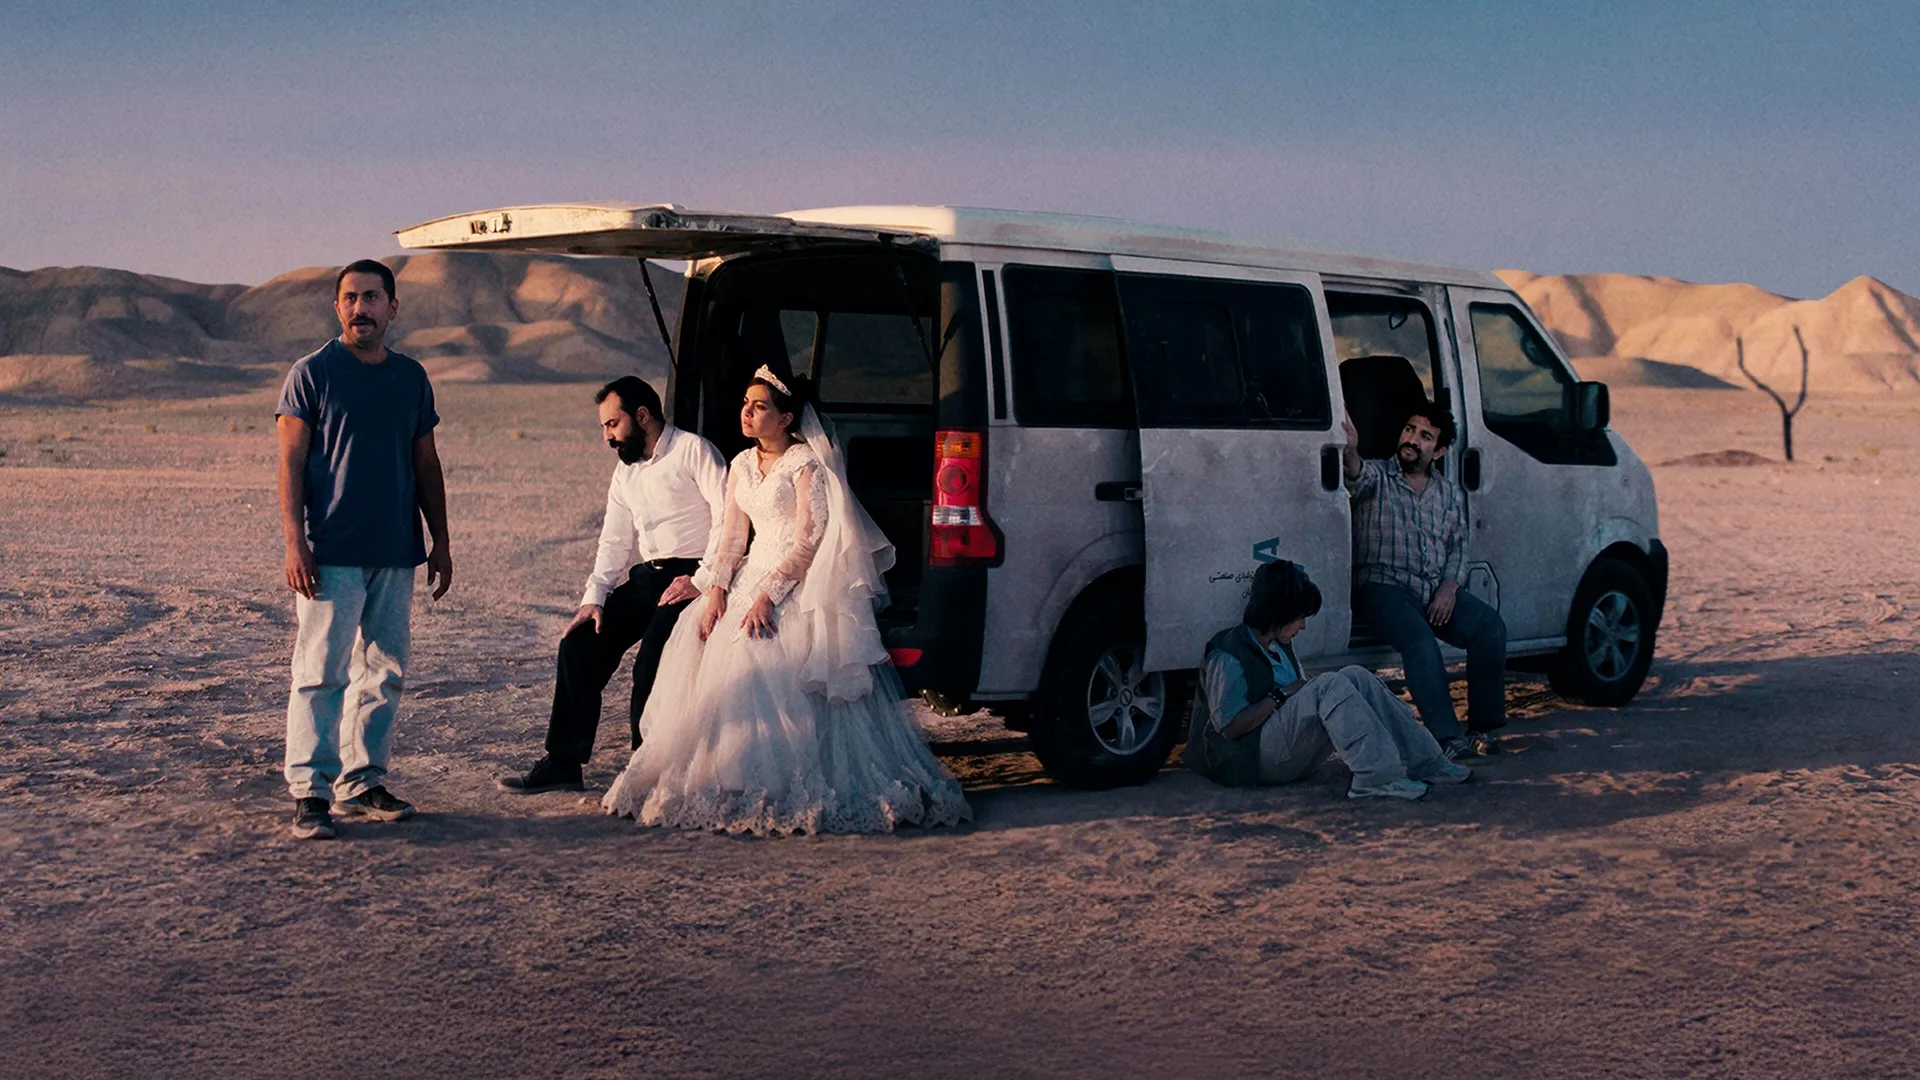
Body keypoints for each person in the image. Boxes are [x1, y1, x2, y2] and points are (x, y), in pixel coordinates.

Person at [601, 364, 971, 834]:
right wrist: (715, 591)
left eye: (760, 407)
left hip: (796, 581)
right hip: (748, 573)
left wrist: (768, 597)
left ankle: (775, 782)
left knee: (763, 652)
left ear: (786, 418)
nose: (747, 413)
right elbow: (732, 538)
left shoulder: (805, 465)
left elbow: (808, 541)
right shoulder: (738, 464)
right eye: (745, 404)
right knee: (702, 641)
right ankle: (719, 772)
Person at [275, 259, 451, 841]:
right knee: (321, 671)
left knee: (384, 671)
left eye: (372, 298)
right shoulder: (312, 373)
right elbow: (290, 462)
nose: (360, 309)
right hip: (331, 547)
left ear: (392, 308)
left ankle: (362, 780)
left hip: (396, 548)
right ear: (337, 307)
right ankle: (311, 791)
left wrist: (440, 539)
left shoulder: (410, 377)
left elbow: (425, 462)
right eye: (349, 298)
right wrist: (294, 540)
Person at [496, 376, 728, 794]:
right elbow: (614, 540)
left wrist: (702, 579)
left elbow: (727, 518)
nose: (607, 436)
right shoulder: (626, 474)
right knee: (579, 644)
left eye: (612, 424)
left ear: (642, 416)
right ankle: (564, 762)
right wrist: (594, 598)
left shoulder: (694, 451)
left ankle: (647, 770)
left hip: (693, 576)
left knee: (652, 662)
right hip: (649, 577)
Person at [1187, 560, 1470, 798]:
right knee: (1328, 685)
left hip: (1285, 752)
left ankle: (1429, 762)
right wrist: (1280, 696)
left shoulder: (1278, 645)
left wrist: (1294, 694)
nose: (1304, 626)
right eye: (1299, 618)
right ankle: (1376, 778)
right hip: (1248, 761)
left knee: (1355, 675)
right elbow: (1229, 729)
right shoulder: (1229, 653)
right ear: (1278, 614)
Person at [1342, 402, 1507, 762]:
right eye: (1410, 430)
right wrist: (1351, 447)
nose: (1412, 440)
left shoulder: (1447, 494)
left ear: (1440, 450)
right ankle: (1447, 738)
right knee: (1419, 640)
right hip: (1382, 588)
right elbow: (1354, 472)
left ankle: (1482, 729)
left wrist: (1449, 588)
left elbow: (1458, 548)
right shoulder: (1378, 477)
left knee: (1489, 626)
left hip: (1433, 590)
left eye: (1425, 436)